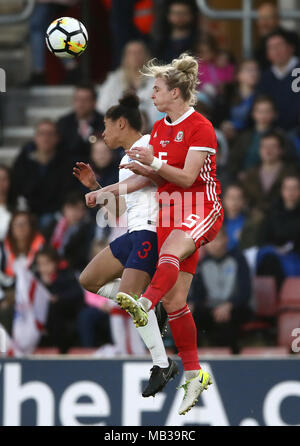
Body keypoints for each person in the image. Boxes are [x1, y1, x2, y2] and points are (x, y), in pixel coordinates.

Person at [112, 53, 224, 415]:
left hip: (200, 209)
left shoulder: (201, 127)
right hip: (170, 212)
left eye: (156, 89)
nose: (151, 96)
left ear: (175, 92)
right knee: (176, 302)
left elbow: (189, 177)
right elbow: (159, 177)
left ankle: (144, 305)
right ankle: (194, 372)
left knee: (169, 254)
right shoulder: (160, 128)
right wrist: (116, 186)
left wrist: (155, 163)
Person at [75, 93, 177, 397]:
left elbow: (151, 180)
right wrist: (95, 186)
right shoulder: (123, 160)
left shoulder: (147, 145)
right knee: (88, 280)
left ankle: (162, 364)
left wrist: (105, 189)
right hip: (132, 234)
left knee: (127, 298)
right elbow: (118, 210)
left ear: (122, 123)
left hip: (150, 233)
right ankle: (151, 301)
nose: (103, 134)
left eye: (106, 127)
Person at [188, 227, 252, 353]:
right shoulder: (202, 264)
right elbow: (198, 294)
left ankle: (232, 357)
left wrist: (229, 305)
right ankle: (192, 357)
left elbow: (245, 291)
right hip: (212, 308)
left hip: (236, 307)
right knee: (190, 317)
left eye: (216, 239)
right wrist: (192, 304)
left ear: (226, 240)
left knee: (227, 319)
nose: (213, 244)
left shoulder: (238, 260)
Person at [10, 120, 76, 229]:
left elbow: (66, 193)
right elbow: (17, 189)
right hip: (27, 212)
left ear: (57, 138)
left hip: (55, 214)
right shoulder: (24, 161)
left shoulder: (66, 163)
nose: (46, 138)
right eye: (41, 134)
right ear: (35, 138)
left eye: (50, 134)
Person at [35, 246, 84, 353]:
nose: (43, 268)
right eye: (40, 264)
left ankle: (59, 349)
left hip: (65, 312)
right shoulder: (35, 279)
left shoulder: (66, 275)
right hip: (40, 316)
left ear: (55, 263)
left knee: (54, 308)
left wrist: (58, 297)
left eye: (47, 263)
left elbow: (77, 294)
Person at [96, 40, 157, 125]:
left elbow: (157, 110)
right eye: (131, 53)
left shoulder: (155, 80)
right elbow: (102, 107)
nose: (135, 56)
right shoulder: (114, 79)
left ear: (146, 56)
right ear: (125, 57)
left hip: (147, 128)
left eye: (139, 52)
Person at [257, 175, 300, 288]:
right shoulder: (272, 212)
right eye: (287, 188)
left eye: (295, 188)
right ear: (282, 191)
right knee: (268, 260)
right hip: (274, 255)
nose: (291, 192)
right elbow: (262, 239)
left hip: (296, 256)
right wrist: (275, 249)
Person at [257, 29, 300, 131]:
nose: (276, 51)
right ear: (267, 54)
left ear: (291, 48)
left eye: (279, 46)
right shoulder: (265, 76)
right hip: (270, 131)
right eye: (271, 47)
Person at [57, 83, 105, 163]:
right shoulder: (63, 123)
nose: (81, 104)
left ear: (94, 102)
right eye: (77, 99)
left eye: (86, 100)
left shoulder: (105, 122)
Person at [254, 2, 300, 69]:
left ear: (277, 19)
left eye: (268, 18)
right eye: (261, 18)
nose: (264, 22)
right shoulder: (260, 42)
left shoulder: (290, 38)